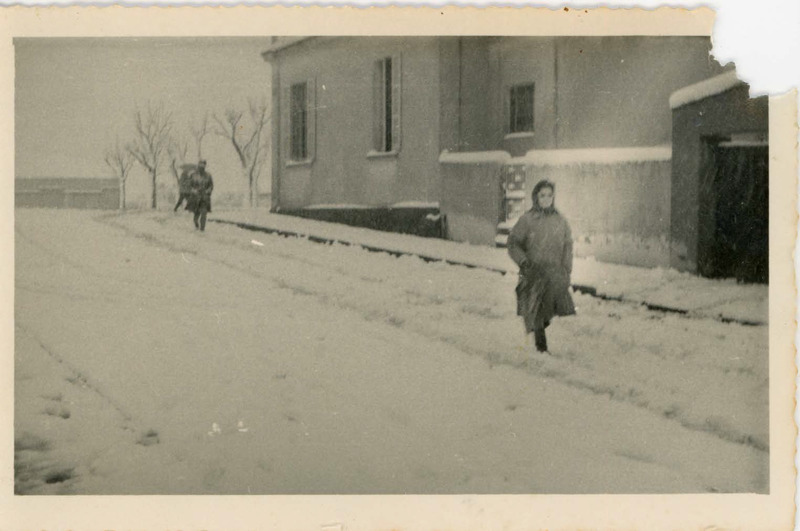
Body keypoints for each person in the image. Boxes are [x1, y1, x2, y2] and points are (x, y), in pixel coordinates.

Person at [507, 179, 576, 353]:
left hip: (553, 275)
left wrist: (566, 269)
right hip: (533, 273)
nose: (546, 199)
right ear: (536, 197)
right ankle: (541, 348)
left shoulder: (560, 221)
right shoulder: (527, 220)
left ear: (553, 197)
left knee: (548, 311)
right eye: (542, 195)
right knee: (535, 310)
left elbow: (568, 246)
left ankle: (539, 333)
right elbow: (513, 243)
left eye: (549, 195)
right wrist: (523, 261)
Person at [188, 160, 214, 231]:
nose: (202, 167)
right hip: (195, 198)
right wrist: (193, 190)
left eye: (203, 165)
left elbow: (211, 185)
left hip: (204, 197)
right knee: (196, 215)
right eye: (200, 165)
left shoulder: (208, 175)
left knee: (204, 213)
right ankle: (196, 223)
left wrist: (208, 191)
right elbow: (189, 186)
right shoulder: (193, 175)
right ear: (198, 166)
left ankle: (202, 229)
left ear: (205, 166)